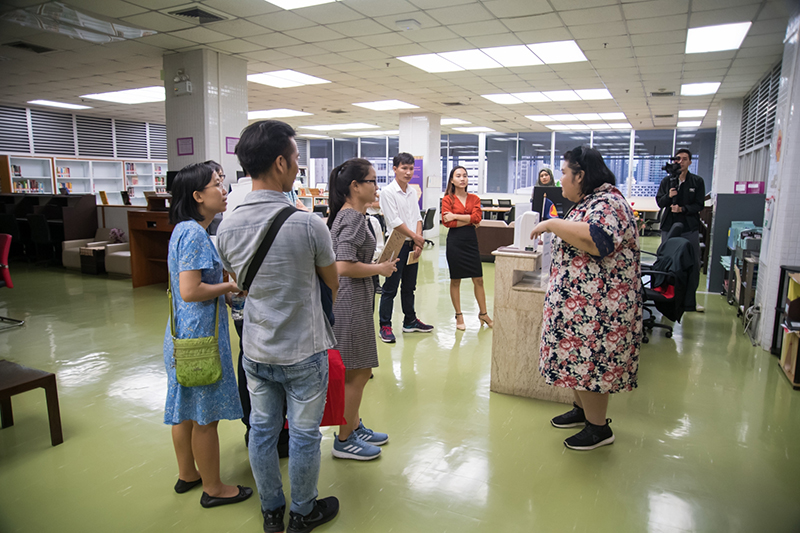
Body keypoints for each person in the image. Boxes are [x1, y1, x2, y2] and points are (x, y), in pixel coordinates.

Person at [216, 120, 340, 533]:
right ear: (281, 162)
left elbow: (238, 282)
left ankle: (271, 510)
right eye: (297, 160)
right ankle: (302, 512)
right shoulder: (308, 224)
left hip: (255, 348)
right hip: (304, 349)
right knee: (304, 436)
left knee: (262, 431)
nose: (299, 168)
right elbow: (331, 282)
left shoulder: (226, 227)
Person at [530, 146, 642, 451]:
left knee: (591, 364)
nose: (561, 179)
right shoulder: (590, 201)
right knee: (576, 362)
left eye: (565, 173)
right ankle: (583, 412)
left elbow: (598, 240)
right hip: (581, 306)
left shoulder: (608, 203)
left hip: (600, 310)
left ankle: (599, 428)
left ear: (581, 175)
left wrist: (551, 223)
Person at [163, 162, 253, 508]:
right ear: (198, 195)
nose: (224, 190)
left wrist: (222, 291)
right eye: (217, 184)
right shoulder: (196, 234)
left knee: (184, 408)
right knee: (205, 416)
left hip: (181, 335)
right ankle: (214, 488)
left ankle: (188, 473)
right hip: (200, 339)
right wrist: (230, 285)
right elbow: (190, 290)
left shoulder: (182, 230)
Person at [326, 158, 397, 460]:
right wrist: (379, 268)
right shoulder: (353, 218)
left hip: (353, 300)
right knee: (358, 371)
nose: (376, 186)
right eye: (371, 180)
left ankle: (353, 425)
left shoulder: (350, 216)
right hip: (350, 303)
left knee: (357, 369)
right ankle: (344, 439)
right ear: (355, 186)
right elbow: (342, 266)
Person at [222, 170, 290, 457]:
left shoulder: (237, 203)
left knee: (248, 358)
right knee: (267, 366)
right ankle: (270, 429)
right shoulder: (248, 198)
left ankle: (259, 429)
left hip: (246, 301)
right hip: (266, 301)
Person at [378, 152, 433, 343]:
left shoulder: (412, 191)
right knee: (390, 288)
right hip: (396, 244)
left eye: (411, 169)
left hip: (412, 243)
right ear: (395, 169)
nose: (408, 172)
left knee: (410, 287)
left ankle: (409, 321)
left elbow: (418, 217)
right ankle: (385, 325)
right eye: (404, 168)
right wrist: (416, 237)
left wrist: (418, 240)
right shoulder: (388, 192)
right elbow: (394, 221)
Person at [441, 166, 492, 331]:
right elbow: (447, 223)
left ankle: (483, 313)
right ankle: (458, 315)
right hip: (455, 242)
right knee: (456, 280)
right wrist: (469, 219)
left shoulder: (474, 198)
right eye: (458, 176)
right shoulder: (447, 199)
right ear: (452, 180)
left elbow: (478, 218)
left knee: (479, 279)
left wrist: (455, 216)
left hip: (471, 241)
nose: (462, 178)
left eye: (465, 175)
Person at [655, 148, 705, 312]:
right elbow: (660, 203)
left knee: (692, 264)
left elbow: (699, 205)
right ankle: (667, 298)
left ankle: (690, 300)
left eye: (684, 159)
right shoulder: (667, 182)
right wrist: (669, 196)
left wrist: (683, 209)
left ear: (690, 162)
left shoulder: (697, 182)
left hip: (689, 227)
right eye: (678, 159)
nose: (681, 161)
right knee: (667, 263)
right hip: (669, 227)